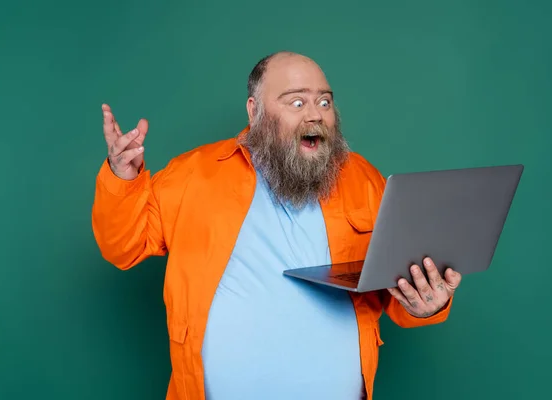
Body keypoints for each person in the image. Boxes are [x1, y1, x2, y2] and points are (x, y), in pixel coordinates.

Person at [92, 51, 462, 400]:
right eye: (297, 102)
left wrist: (425, 303)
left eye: (325, 102)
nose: (315, 115)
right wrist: (122, 178)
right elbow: (123, 247)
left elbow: (393, 291)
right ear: (255, 111)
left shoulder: (364, 180)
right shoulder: (193, 175)